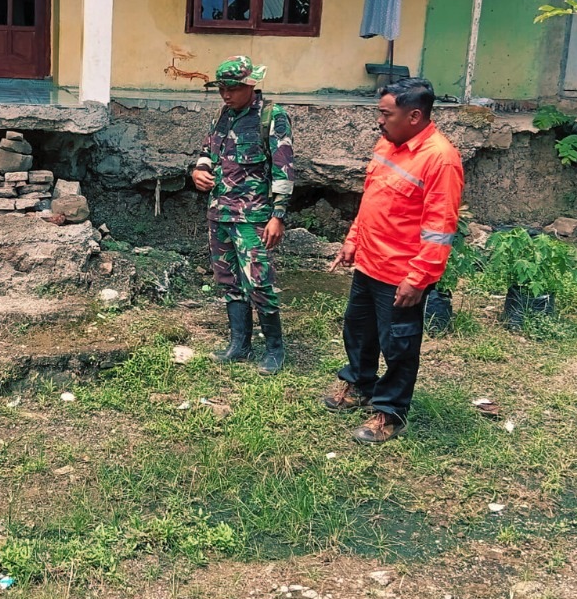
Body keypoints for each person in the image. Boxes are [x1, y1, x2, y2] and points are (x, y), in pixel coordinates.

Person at [327, 78, 463, 443]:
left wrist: (418, 279)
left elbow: (440, 228)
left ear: (414, 115)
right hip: (369, 264)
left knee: (399, 346)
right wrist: (352, 241)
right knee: (358, 331)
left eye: (386, 114)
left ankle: (390, 412)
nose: (380, 121)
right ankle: (358, 383)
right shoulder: (388, 144)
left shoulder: (440, 159)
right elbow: (372, 200)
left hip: (401, 273)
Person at [192, 56, 294, 375]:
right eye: (222, 88)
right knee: (228, 281)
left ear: (250, 85)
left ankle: (274, 349)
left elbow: (284, 170)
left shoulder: (271, 117)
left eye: (232, 89)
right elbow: (208, 152)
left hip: (252, 217)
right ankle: (240, 344)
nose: (226, 95)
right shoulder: (222, 115)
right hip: (219, 213)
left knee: (259, 282)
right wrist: (199, 170)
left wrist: (277, 216)